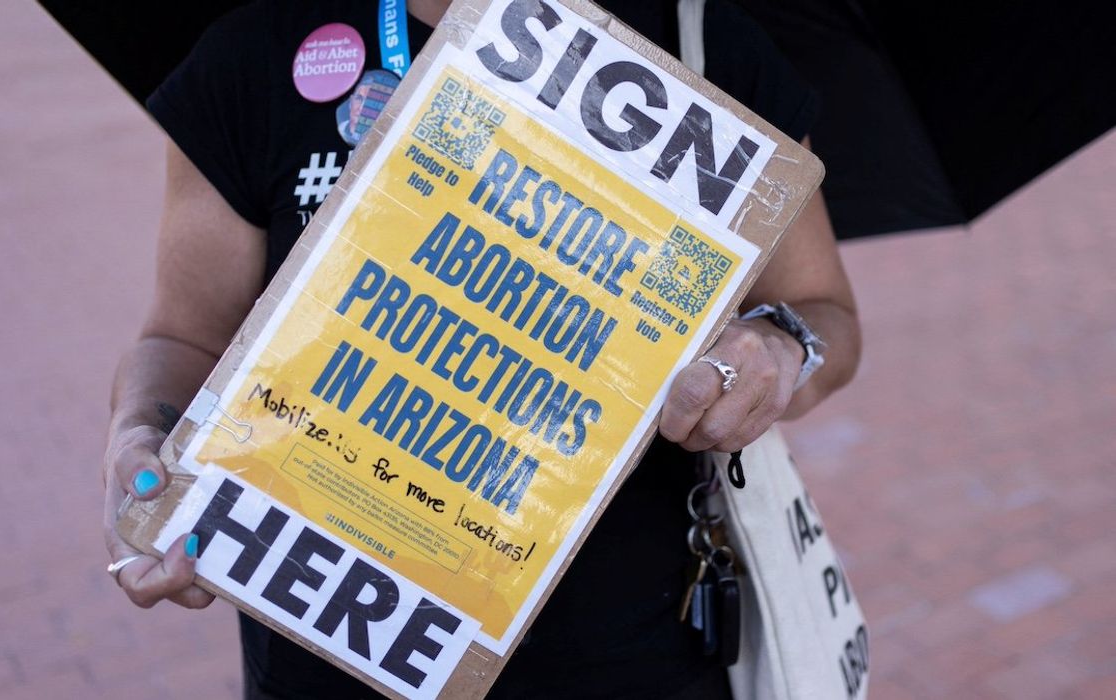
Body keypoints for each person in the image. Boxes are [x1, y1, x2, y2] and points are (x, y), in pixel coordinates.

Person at [101, 0, 860, 697]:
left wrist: (775, 348)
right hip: (327, 644)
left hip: (634, 651)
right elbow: (182, 334)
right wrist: (141, 431)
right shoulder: (258, 53)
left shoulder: (700, 42)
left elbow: (825, 313)